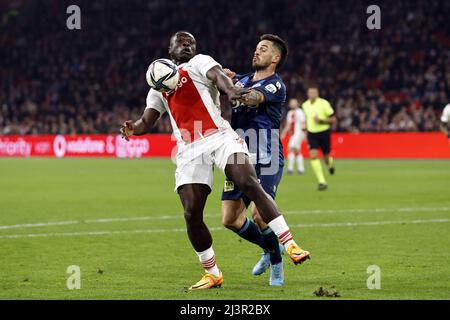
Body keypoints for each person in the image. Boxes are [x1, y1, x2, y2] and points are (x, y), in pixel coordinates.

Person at [120, 31, 310, 290]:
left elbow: (219, 77)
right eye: (182, 42)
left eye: (192, 43)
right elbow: (147, 120)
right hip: (189, 149)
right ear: (170, 47)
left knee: (251, 192)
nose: (188, 46)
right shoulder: (158, 87)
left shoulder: (200, 62)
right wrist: (134, 128)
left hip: (231, 141)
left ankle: (288, 246)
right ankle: (213, 272)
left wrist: (231, 89)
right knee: (202, 215)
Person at [221, 34, 307, 287]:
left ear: (275, 58)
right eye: (257, 48)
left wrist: (230, 86)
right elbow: (229, 85)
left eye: (264, 49)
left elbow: (253, 98)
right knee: (230, 219)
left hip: (266, 155)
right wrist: (221, 77)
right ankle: (272, 249)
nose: (257, 52)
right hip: (237, 153)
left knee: (260, 216)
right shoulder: (243, 79)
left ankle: (277, 266)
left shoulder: (275, 85)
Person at [301, 85, 336, 191]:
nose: (312, 94)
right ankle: (322, 182)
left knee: (326, 157)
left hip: (324, 132)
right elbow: (307, 119)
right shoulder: (305, 105)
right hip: (312, 134)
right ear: (308, 94)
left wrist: (321, 120)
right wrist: (306, 129)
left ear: (317, 93)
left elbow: (333, 119)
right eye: (310, 93)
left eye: (314, 92)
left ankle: (330, 165)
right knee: (313, 155)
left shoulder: (324, 103)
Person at [281, 98, 307, 175]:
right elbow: (288, 125)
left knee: (290, 148)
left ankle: (290, 168)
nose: (293, 104)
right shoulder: (290, 113)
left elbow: (303, 123)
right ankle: (300, 169)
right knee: (296, 150)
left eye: (294, 103)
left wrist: (305, 134)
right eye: (291, 103)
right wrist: (284, 133)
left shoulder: (300, 112)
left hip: (299, 133)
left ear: (297, 104)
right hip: (293, 134)